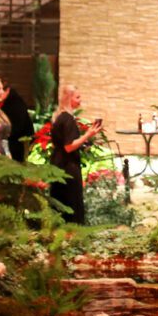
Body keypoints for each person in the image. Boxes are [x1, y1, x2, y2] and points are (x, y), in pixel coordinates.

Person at [49, 85, 101, 225]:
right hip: (68, 166)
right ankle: (72, 234)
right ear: (69, 99)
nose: (80, 100)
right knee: (71, 201)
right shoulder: (68, 119)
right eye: (77, 97)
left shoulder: (59, 117)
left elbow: (58, 144)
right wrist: (88, 135)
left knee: (59, 200)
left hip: (58, 162)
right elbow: (69, 146)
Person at [1, 83, 34, 162]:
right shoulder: (9, 101)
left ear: (7, 90)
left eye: (0, 90)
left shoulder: (15, 104)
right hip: (13, 142)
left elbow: (17, 127)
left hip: (16, 143)